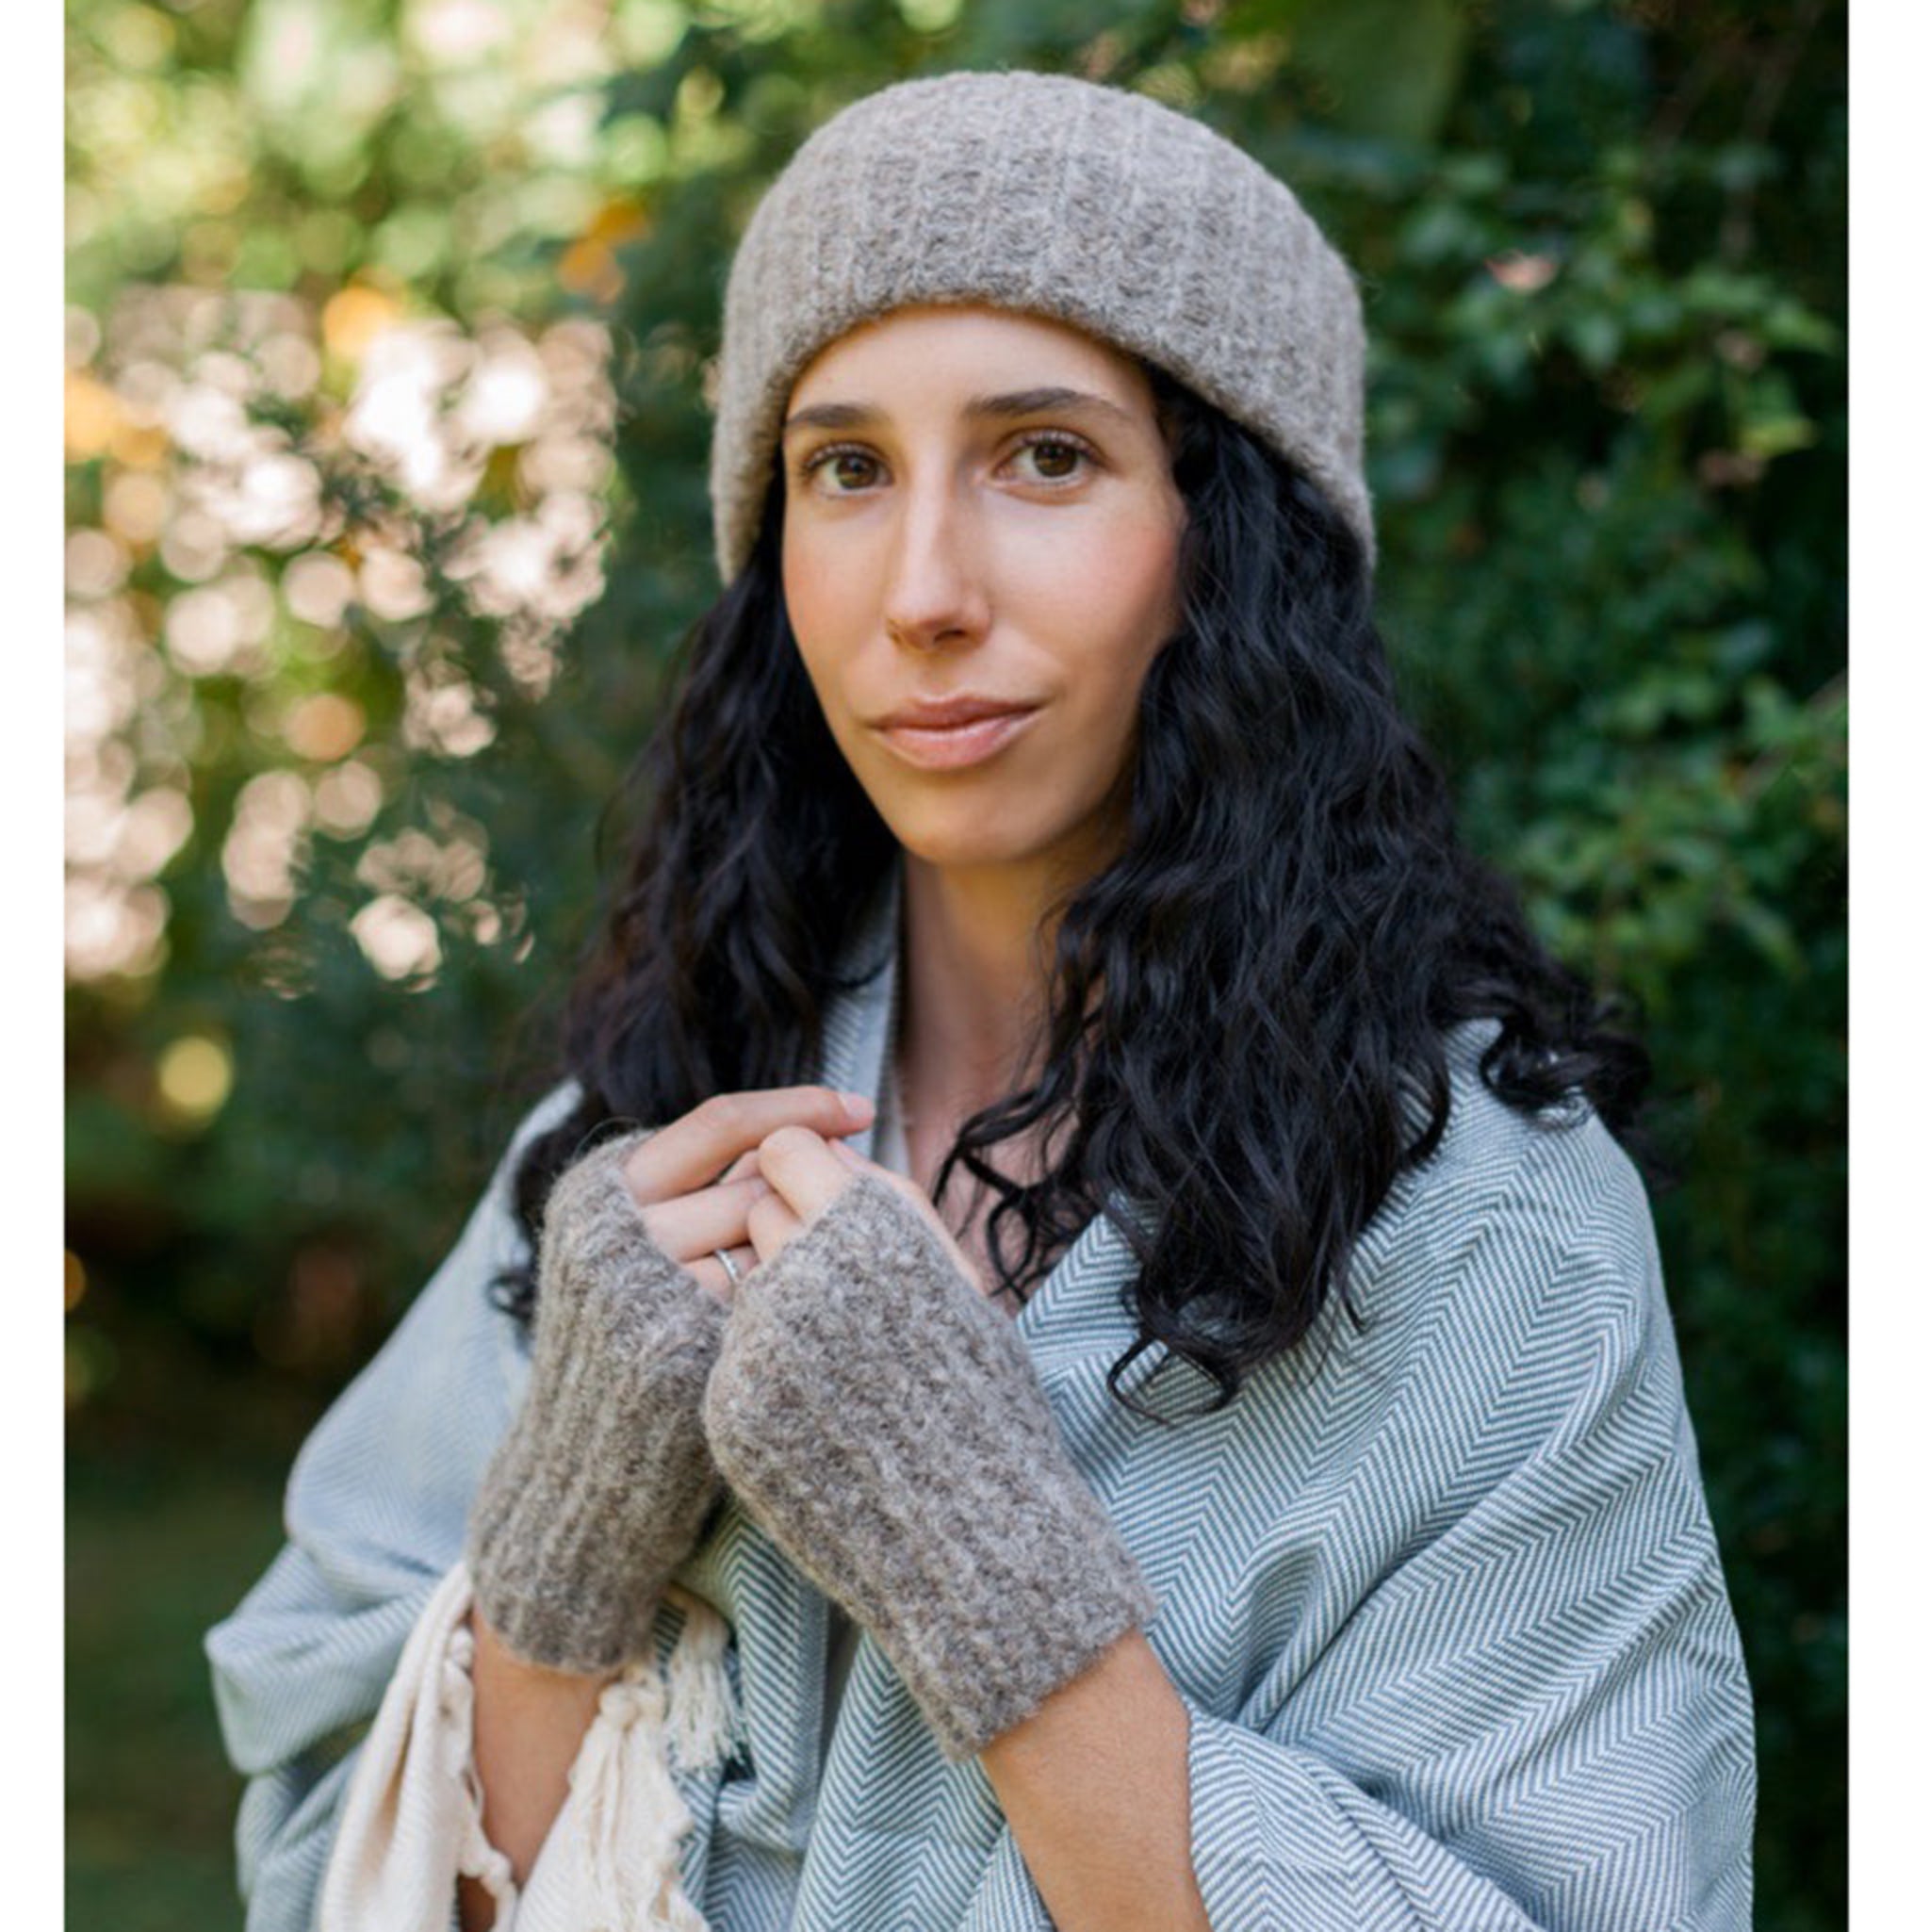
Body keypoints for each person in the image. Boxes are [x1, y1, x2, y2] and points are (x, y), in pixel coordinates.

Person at [205, 67, 1757, 1932]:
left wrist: (1001, 1596)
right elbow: (342, 1871)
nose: (922, 589)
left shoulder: (1487, 1229)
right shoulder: (637, 1145)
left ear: (1231, 541)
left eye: (1044, 455)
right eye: (844, 468)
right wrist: (558, 1558)